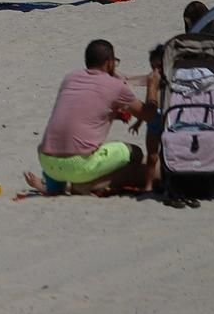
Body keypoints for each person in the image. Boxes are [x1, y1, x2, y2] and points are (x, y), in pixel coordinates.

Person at [26, 39, 153, 196]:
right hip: (79, 166)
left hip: (47, 161)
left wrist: (114, 114)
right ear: (109, 63)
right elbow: (148, 114)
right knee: (135, 153)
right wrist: (153, 86)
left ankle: (55, 186)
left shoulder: (70, 78)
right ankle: (91, 184)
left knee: (68, 152)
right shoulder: (116, 86)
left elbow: (79, 111)